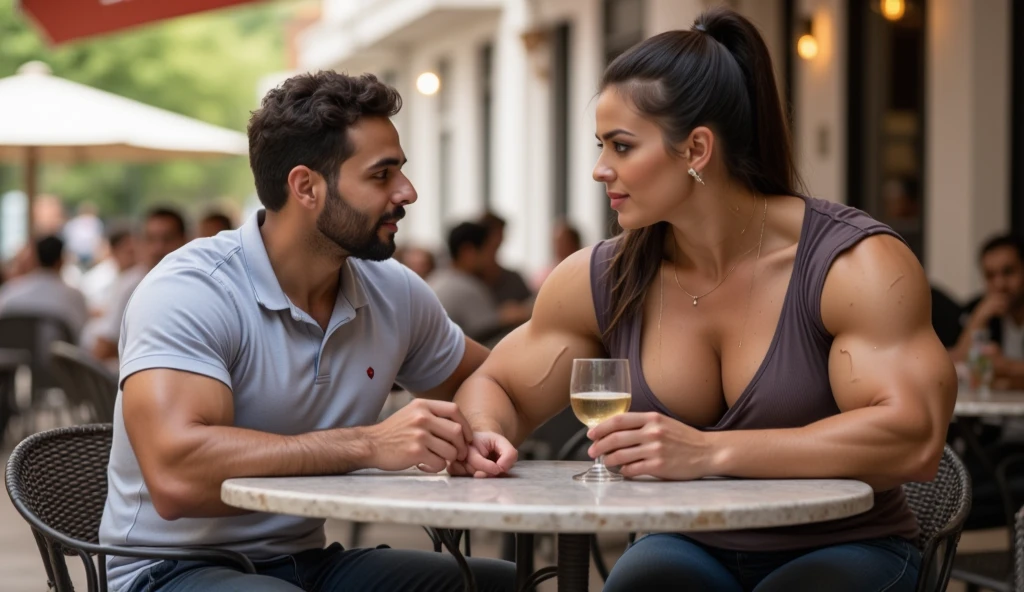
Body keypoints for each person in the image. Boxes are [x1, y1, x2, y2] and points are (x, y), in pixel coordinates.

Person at [450, 8, 954, 592]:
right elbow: (497, 384)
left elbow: (914, 437)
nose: (598, 170)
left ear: (695, 149)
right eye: (600, 145)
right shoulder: (603, 277)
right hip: (684, 544)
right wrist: (487, 432)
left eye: (621, 145)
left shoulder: (853, 265)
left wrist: (710, 452)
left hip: (844, 543)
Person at [98, 71, 514, 592]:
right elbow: (177, 478)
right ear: (306, 186)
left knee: (499, 584)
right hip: (170, 568)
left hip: (307, 565)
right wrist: (366, 444)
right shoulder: (191, 290)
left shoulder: (394, 291)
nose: (407, 192)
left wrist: (479, 427)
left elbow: (491, 379)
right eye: (382, 175)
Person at [91, 207, 187, 362]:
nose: (158, 248)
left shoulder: (197, 287)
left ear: (185, 240)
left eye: (167, 239)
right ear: (140, 243)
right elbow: (103, 347)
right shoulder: (130, 286)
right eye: (151, 239)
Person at [429, 222, 531, 342]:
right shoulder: (466, 287)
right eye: (489, 251)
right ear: (468, 252)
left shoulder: (437, 278)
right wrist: (506, 316)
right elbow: (487, 332)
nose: (492, 259)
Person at [953, 235, 1024, 386]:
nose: (1000, 284)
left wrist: (1007, 367)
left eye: (1008, 272)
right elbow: (956, 363)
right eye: (990, 276)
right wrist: (978, 319)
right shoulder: (979, 307)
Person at [0, 234, 88, 338]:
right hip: (59, 353)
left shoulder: (9, 292)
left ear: (34, 259)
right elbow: (80, 332)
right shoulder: (75, 296)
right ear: (61, 261)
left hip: (15, 353)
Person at [477, 212, 533, 307]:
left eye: (500, 234)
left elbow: (531, 305)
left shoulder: (512, 279)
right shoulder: (467, 279)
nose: (499, 240)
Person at [531, 220, 583, 292]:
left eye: (563, 242)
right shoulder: (544, 275)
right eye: (556, 242)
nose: (558, 247)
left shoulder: (584, 274)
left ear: (575, 245)